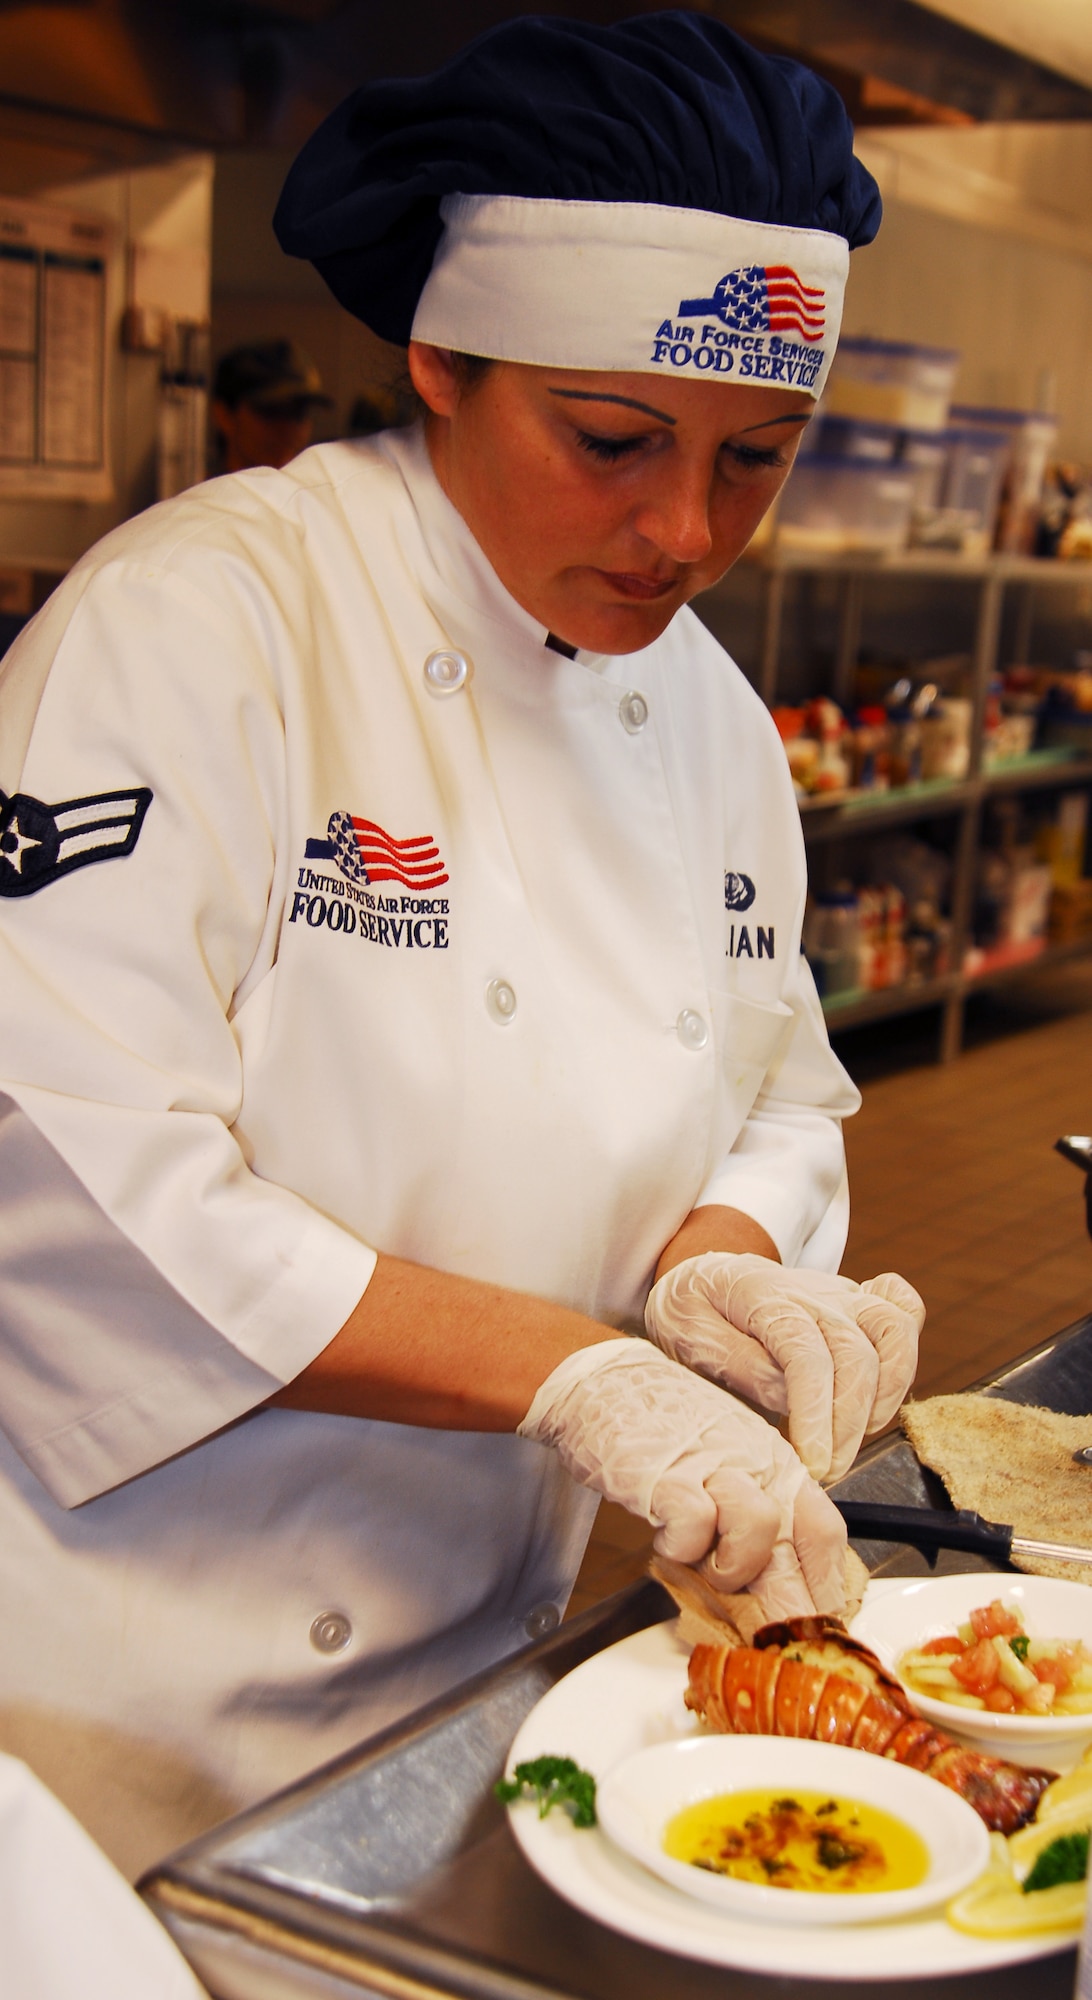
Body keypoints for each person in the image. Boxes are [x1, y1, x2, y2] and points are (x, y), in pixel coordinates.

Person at [0, 13, 924, 1878]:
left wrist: (715, 1272)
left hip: (484, 1669)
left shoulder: (717, 725)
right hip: (117, 1699)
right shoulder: (205, 623)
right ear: (440, 354)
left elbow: (769, 1082)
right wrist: (572, 1377)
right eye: (608, 440)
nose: (681, 530)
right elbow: (63, 1159)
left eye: (759, 458)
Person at [210, 339, 333, 471]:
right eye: (272, 410)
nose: (289, 428)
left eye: (300, 412)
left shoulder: (318, 488)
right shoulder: (197, 490)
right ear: (224, 415)